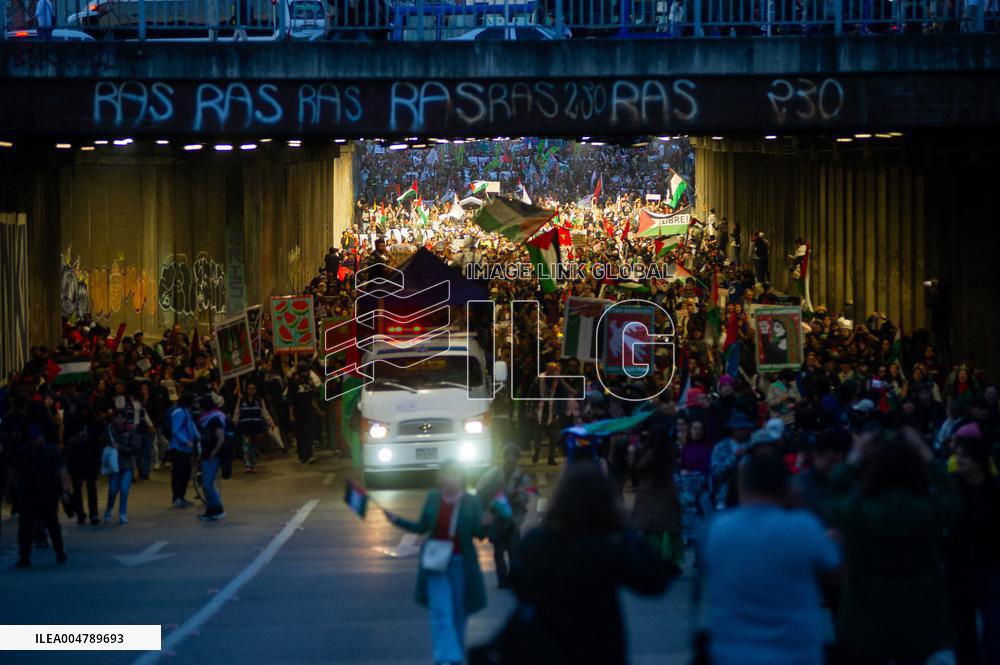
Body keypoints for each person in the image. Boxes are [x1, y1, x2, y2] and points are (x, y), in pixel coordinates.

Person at [480, 461, 673, 665]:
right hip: (599, 645)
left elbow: (519, 584)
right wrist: (625, 530)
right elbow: (654, 579)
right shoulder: (608, 547)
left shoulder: (539, 541)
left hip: (549, 645)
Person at [826, 428, 961, 665]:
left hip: (867, 610)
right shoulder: (930, 510)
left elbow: (833, 493)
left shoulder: (859, 511)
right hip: (918, 612)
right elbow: (953, 495)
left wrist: (855, 456)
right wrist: (925, 455)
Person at [700, 452, 841, 665]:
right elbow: (836, 576)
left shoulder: (715, 529)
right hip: (795, 653)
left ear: (743, 487)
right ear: (787, 488)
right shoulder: (803, 527)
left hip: (731, 653)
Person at [384, 460, 490, 665]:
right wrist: (396, 520)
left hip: (461, 563)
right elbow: (422, 527)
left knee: (459, 613)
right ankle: (444, 658)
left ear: (462, 477)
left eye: (455, 474)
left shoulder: (471, 502)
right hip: (436, 564)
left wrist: (485, 524)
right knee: (441, 612)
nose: (451, 479)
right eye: (447, 474)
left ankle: (456, 656)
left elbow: (479, 534)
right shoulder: (433, 498)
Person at [945, 436, 1000, 665]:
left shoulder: (995, 488)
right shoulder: (952, 485)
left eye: (963, 455)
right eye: (957, 455)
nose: (959, 460)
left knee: (994, 624)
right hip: (960, 565)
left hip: (991, 563)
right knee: (962, 626)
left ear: (978, 459)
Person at [476, 443, 532, 588]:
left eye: (513, 456)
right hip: (497, 517)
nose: (510, 459)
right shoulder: (493, 474)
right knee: (499, 550)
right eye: (508, 456)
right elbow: (481, 492)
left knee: (513, 551)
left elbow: (526, 497)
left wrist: (515, 497)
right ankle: (502, 579)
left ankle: (512, 578)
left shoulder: (522, 477)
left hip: (514, 519)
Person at [14, 425, 71, 567]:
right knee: (25, 527)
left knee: (52, 525)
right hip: (28, 493)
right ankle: (24, 556)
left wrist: (65, 491)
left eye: (35, 439)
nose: (33, 442)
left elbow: (62, 471)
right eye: (31, 440)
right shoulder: (23, 451)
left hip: (48, 493)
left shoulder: (51, 451)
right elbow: (14, 472)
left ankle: (59, 552)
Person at [629, 422, 684, 566]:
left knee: (651, 530)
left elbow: (637, 469)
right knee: (668, 528)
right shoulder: (670, 452)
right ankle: (670, 559)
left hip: (649, 494)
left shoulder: (650, 454)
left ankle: (653, 558)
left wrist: (633, 454)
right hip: (668, 493)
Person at [196, 395, 228, 521]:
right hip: (206, 454)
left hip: (212, 456)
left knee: (207, 484)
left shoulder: (215, 419)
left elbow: (221, 438)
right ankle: (210, 510)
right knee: (205, 484)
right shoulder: (204, 420)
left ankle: (217, 508)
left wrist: (213, 452)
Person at [103, 409, 138, 525]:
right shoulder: (109, 429)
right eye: (117, 417)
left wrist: (120, 447)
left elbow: (134, 448)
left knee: (124, 489)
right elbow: (104, 443)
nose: (119, 420)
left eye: (121, 417)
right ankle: (109, 509)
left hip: (126, 465)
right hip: (114, 465)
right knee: (113, 489)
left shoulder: (130, 430)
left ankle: (122, 513)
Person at [233, 382, 276, 473]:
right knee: (246, 445)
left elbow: (264, 412)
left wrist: (271, 423)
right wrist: (234, 422)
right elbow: (237, 412)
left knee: (254, 446)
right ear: (247, 389)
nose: (251, 390)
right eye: (249, 388)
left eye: (253, 389)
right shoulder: (241, 400)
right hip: (244, 426)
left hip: (256, 427)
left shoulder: (259, 400)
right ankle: (248, 464)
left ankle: (253, 463)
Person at [168, 391, 198, 508]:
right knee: (178, 474)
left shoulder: (186, 412)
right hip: (178, 448)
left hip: (185, 449)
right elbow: (175, 430)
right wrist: (185, 440)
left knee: (185, 474)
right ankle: (177, 497)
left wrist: (197, 437)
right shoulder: (179, 412)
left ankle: (181, 496)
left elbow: (191, 427)